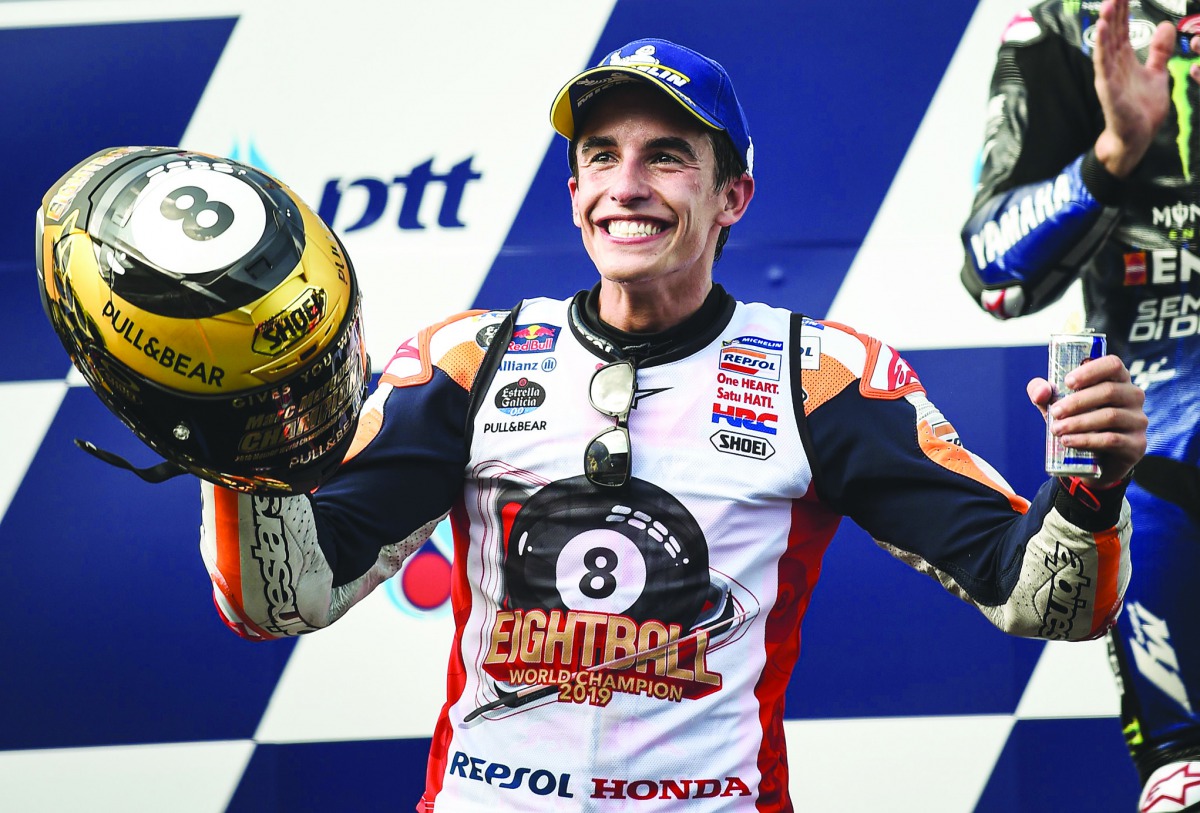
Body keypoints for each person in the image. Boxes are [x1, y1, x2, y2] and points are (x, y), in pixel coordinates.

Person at [190, 39, 1147, 811]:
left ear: (732, 197)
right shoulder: (468, 361)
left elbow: (1045, 601)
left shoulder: (820, 378)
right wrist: (230, 447)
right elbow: (284, 597)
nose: (627, 184)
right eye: (600, 156)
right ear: (572, 195)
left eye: (668, 157)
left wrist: (1089, 488)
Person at [960, 0, 1200, 809]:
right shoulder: (1067, 28)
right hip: (1163, 465)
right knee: (1187, 777)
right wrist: (1113, 155)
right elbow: (992, 270)